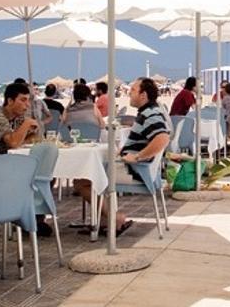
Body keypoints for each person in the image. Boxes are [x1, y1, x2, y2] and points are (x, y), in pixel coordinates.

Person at [73, 77, 171, 237]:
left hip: (136, 171)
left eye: (132, 91)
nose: (129, 94)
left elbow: (163, 138)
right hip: (140, 169)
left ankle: (115, 217)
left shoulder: (150, 114)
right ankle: (106, 221)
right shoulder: (151, 111)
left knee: (83, 181)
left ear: (143, 95)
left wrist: (137, 157)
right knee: (96, 171)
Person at [0, 82, 40, 158]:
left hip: (5, 160)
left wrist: (29, 133)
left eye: (28, 100)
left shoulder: (18, 117)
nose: (28, 104)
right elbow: (13, 143)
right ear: (10, 101)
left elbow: (33, 137)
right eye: (23, 100)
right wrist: (27, 123)